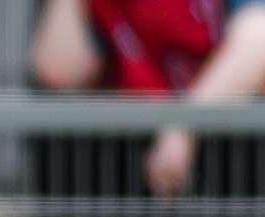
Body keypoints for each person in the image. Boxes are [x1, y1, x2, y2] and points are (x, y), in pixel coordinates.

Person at [31, 0, 265, 197]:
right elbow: (59, 71)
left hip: (221, 142)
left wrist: (183, 126)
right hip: (126, 149)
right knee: (61, 129)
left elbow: (259, 38)